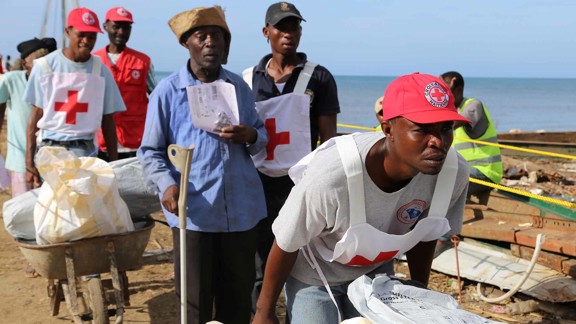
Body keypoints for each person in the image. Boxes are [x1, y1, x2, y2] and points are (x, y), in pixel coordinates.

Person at [253, 73, 471, 323]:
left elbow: (426, 231)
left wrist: (418, 289)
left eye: (446, 128)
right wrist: (264, 312)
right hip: (316, 275)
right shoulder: (334, 176)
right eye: (422, 129)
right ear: (388, 129)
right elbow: (286, 241)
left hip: (374, 270)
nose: (438, 141)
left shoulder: (451, 173)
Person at [138, 6, 268, 324]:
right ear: (187, 43)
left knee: (237, 300)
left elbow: (261, 136)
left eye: (219, 36)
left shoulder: (238, 87)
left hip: (241, 212)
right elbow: (150, 152)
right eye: (203, 36)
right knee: (194, 303)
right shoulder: (167, 92)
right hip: (194, 213)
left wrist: (249, 134)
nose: (211, 42)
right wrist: (167, 185)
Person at [242, 1, 340, 308]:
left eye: (295, 26)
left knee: (299, 261)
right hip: (256, 184)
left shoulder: (319, 77)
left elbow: (329, 139)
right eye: (282, 26)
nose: (289, 33)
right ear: (266, 32)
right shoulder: (246, 79)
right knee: (258, 262)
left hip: (299, 185)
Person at [24, 7, 125, 189]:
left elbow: (108, 120)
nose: (86, 41)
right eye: (81, 34)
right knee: (53, 208)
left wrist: (113, 162)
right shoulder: (45, 67)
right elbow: (34, 116)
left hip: (85, 152)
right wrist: (29, 162)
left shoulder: (101, 71)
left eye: (92, 36)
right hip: (50, 151)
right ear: (68, 32)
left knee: (83, 209)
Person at [93, 6, 156, 160]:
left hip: (134, 142)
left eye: (126, 28)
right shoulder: (93, 61)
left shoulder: (143, 61)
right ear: (105, 26)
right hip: (100, 142)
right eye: (116, 27)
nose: (121, 32)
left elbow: (157, 97)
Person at [0, 37, 57, 198]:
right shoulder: (11, 81)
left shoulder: (53, 82)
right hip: (19, 159)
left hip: (47, 158)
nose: (42, 68)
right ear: (25, 64)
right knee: (22, 206)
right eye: (36, 64)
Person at [440, 71, 503, 196]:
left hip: (485, 172)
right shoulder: (453, 110)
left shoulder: (473, 105)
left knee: (440, 180)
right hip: (464, 169)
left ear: (456, 88)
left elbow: (453, 124)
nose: (441, 91)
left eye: (443, 87)